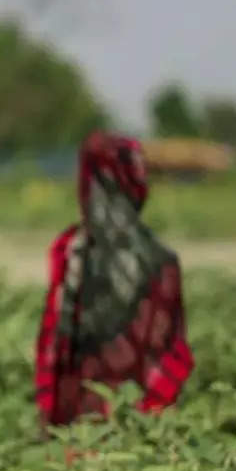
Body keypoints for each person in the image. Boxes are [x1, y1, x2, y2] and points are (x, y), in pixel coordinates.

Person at [35, 131, 194, 426]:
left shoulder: (70, 252)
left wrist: (48, 420)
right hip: (143, 430)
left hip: (77, 433)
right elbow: (172, 356)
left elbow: (53, 352)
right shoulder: (162, 261)